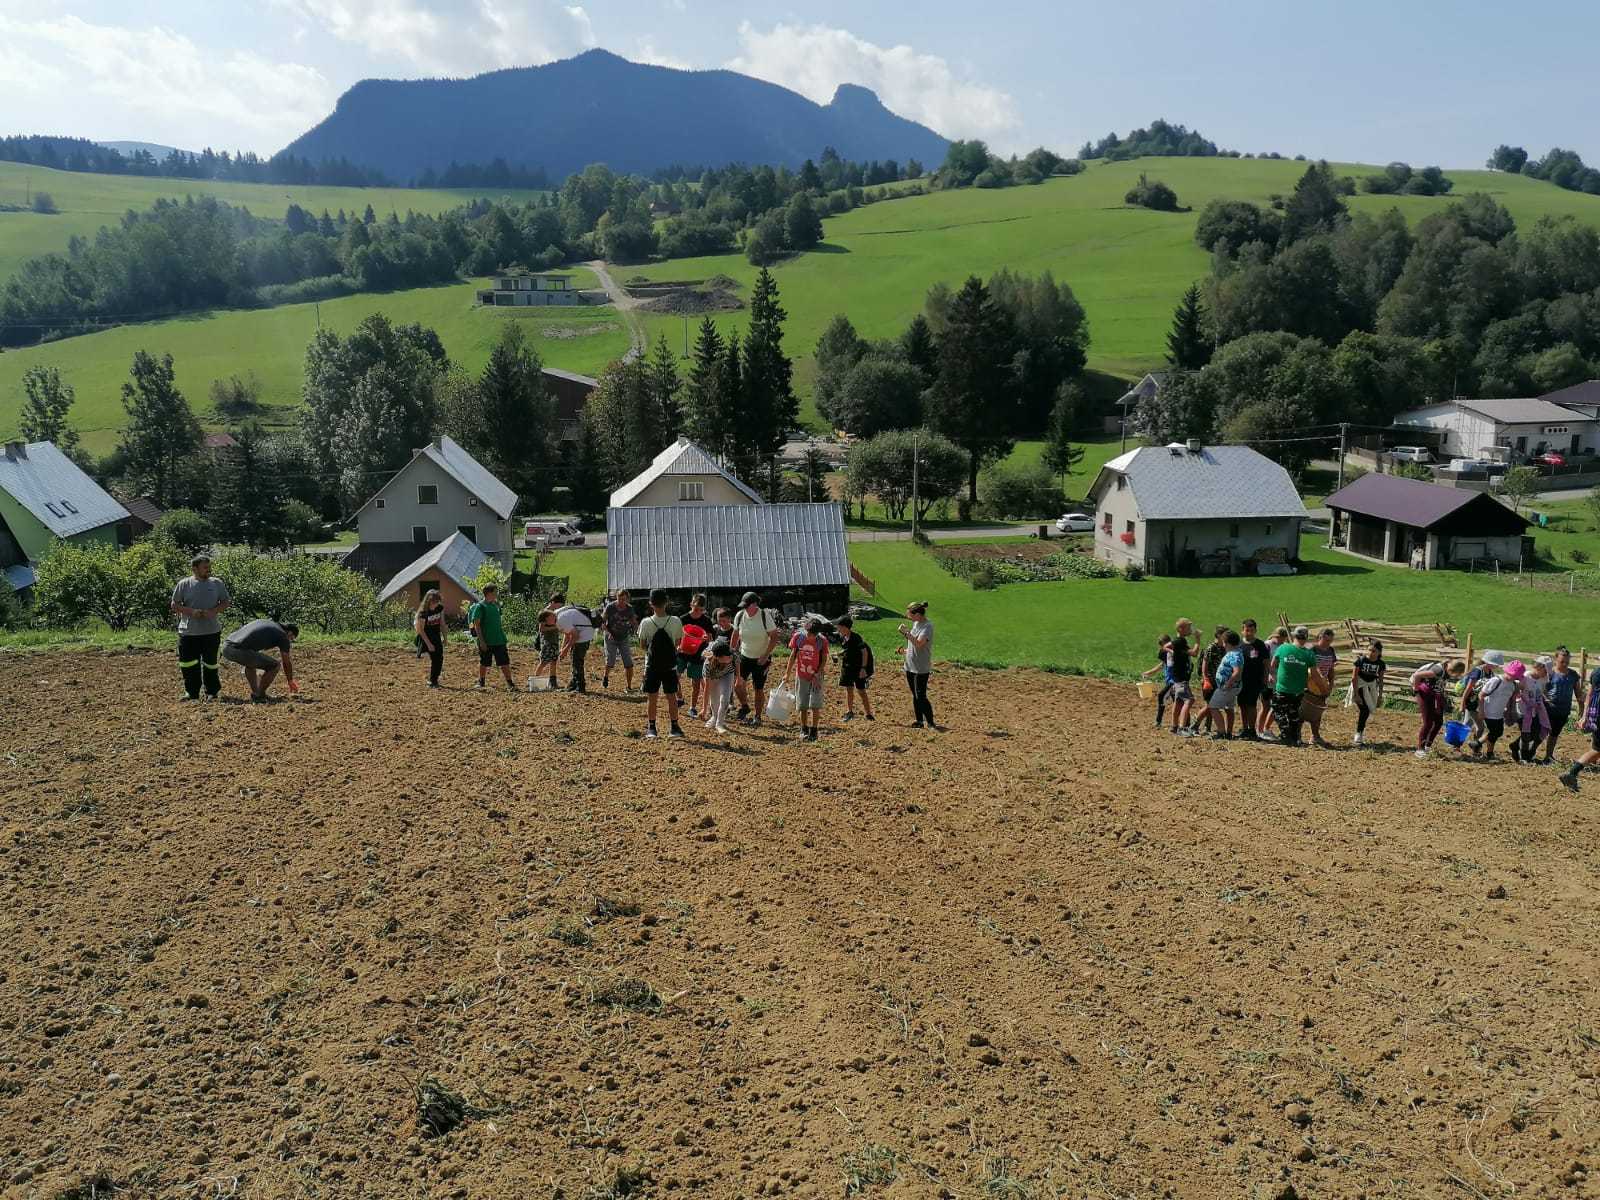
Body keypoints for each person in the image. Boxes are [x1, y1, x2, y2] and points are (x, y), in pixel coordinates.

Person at [170, 551, 231, 701]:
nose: (208, 570)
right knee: (188, 664)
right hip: (188, 633)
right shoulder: (184, 584)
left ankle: (212, 692)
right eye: (205, 567)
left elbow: (225, 602)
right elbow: (174, 604)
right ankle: (191, 693)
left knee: (211, 664)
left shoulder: (217, 583)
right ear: (195, 569)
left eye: (209, 567)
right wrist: (191, 612)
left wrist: (213, 611)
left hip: (211, 631)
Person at [636, 588, 685, 740]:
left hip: (652, 665)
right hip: (670, 665)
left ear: (651, 603)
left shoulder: (646, 622)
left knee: (652, 697)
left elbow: (642, 645)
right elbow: (677, 643)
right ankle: (674, 727)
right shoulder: (675, 621)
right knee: (671, 696)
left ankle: (652, 728)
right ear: (666, 602)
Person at [732, 592, 780, 726]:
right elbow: (735, 634)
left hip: (761, 658)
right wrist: (732, 652)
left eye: (747, 606)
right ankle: (745, 706)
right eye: (744, 606)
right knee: (737, 685)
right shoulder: (740, 616)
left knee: (758, 688)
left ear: (755, 605)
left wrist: (766, 655)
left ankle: (758, 716)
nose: (745, 608)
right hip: (744, 656)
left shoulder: (764, 616)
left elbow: (774, 637)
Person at [222, 618, 299, 702]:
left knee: (251, 662)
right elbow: (286, 662)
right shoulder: (283, 635)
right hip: (236, 649)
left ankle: (256, 693)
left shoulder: (267, 623)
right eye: (291, 639)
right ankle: (260, 695)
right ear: (290, 633)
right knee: (275, 666)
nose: (290, 641)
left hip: (226, 646)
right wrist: (290, 680)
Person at [783, 617, 831, 742]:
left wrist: (817, 674)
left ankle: (814, 730)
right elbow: (793, 656)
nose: (809, 636)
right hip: (801, 675)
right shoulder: (798, 638)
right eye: (808, 633)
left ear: (817, 633)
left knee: (815, 704)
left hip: (816, 677)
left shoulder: (822, 641)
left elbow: (824, 659)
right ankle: (803, 729)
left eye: (812, 634)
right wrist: (787, 674)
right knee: (802, 704)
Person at [1270, 626, 1318, 746]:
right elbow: (1314, 674)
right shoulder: (1309, 654)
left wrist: (1281, 671)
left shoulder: (1283, 648)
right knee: (1293, 714)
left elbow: (1273, 664)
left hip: (1282, 688)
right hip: (1298, 690)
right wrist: (1322, 689)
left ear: (1294, 636)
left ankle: (1286, 734)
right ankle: (1295, 738)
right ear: (1306, 638)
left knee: (1278, 711)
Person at [1558, 659, 1600, 792]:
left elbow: (1589, 695)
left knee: (1596, 750)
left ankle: (1572, 773)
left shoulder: (1596, 672)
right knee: (1597, 750)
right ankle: (1571, 773)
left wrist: (1585, 716)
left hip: (1595, 714)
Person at [1410, 659, 1466, 757]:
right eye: (1457, 674)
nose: (1456, 676)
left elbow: (1438, 685)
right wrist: (1416, 691)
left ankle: (1427, 746)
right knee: (1428, 722)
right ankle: (1420, 749)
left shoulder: (1446, 672)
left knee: (1438, 722)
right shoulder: (1438, 670)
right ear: (1452, 670)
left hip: (1434, 695)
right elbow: (1417, 675)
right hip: (1424, 693)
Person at [469, 583, 516, 692]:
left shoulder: (495, 605)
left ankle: (510, 683)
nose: (497, 594)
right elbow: (477, 625)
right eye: (495, 592)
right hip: (487, 641)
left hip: (499, 639)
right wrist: (482, 642)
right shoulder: (480, 607)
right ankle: (481, 681)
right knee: (484, 662)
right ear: (489, 593)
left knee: (504, 662)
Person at [897, 601, 937, 729]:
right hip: (910, 665)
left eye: (910, 614)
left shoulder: (927, 627)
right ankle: (919, 721)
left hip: (920, 667)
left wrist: (906, 633)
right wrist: (905, 651)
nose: (908, 617)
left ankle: (930, 722)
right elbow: (914, 645)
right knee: (915, 694)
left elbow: (919, 644)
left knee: (921, 695)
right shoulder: (916, 623)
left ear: (918, 615)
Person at [1301, 628, 1340, 749]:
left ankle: (1315, 736)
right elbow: (1307, 666)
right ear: (1319, 638)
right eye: (1326, 640)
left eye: (1330, 641)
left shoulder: (1330, 651)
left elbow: (1331, 668)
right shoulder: (1312, 649)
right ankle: (1297, 735)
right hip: (1309, 685)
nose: (1328, 643)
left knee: (1317, 712)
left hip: (1322, 686)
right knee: (1302, 711)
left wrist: (1331, 683)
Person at [677, 594, 714, 718]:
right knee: (674, 677)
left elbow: (710, 639)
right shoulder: (683, 618)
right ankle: (680, 698)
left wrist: (707, 639)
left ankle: (692, 708)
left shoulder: (706, 621)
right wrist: (677, 646)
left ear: (704, 609)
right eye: (696, 608)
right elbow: (676, 635)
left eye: (701, 610)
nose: (698, 612)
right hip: (682, 652)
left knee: (696, 682)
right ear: (691, 605)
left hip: (698, 654)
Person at [553, 593, 596, 694]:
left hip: (584, 634)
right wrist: (563, 648)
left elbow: (575, 636)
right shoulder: (557, 615)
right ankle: (573, 684)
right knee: (574, 659)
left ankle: (580, 687)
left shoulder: (560, 619)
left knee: (577, 660)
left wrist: (565, 650)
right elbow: (567, 633)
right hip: (582, 630)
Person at [1542, 647, 1579, 764]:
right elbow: (1542, 689)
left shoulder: (1573, 675)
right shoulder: (1550, 674)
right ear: (1555, 659)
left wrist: (1581, 709)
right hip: (1548, 709)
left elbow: (1578, 693)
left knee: (1554, 733)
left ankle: (1548, 756)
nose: (1565, 664)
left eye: (1567, 662)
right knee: (1541, 732)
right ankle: (1528, 753)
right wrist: (1546, 700)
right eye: (1562, 661)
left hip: (1563, 710)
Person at [836, 615, 876, 721]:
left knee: (861, 691)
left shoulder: (856, 638)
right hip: (847, 667)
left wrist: (863, 668)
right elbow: (848, 649)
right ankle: (849, 712)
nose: (838, 629)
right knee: (849, 689)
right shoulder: (843, 637)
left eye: (839, 627)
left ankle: (868, 714)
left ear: (845, 627)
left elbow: (864, 652)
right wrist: (840, 653)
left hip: (858, 668)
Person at [1206, 631, 1244, 739]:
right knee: (1229, 708)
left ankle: (1221, 732)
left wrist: (1228, 683)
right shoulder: (1237, 652)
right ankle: (1228, 732)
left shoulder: (1233, 655)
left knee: (1213, 707)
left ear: (1226, 643)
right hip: (1233, 687)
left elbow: (1237, 672)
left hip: (1227, 687)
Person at [1192, 625, 1229, 734]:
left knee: (1213, 706)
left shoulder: (1224, 648)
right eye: (1225, 635)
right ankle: (1194, 725)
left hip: (1218, 681)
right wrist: (1205, 679)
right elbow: (1205, 664)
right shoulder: (1211, 648)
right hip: (1210, 680)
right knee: (1210, 705)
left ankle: (1207, 727)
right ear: (1218, 635)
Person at [1350, 640, 1386, 747]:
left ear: (1379, 652)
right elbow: (1354, 678)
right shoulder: (1361, 661)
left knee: (1367, 710)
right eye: (1369, 650)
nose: (1371, 653)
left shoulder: (1381, 664)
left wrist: (1379, 696)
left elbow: (1380, 680)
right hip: (1359, 685)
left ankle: (1360, 733)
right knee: (1364, 710)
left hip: (1371, 687)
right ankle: (1358, 734)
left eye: (1374, 651)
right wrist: (1356, 694)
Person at [600, 590, 638, 691]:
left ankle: (629, 686)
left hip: (623, 637)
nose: (621, 601)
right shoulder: (610, 607)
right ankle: (606, 676)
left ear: (627, 599)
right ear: (616, 598)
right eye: (619, 599)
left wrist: (637, 629)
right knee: (610, 660)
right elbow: (602, 622)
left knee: (628, 663)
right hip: (611, 637)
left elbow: (633, 621)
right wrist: (608, 633)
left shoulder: (629, 609)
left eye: (624, 599)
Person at [1237, 620, 1268, 742]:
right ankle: (1244, 728)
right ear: (1242, 630)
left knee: (1251, 705)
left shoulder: (1260, 645)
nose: (1249, 632)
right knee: (1242, 705)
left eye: (1251, 630)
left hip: (1255, 680)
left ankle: (1252, 729)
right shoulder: (1239, 645)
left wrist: (1265, 678)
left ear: (1255, 630)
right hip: (1241, 680)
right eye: (1246, 630)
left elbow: (1266, 663)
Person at [1517, 661, 1553, 765]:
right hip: (1523, 710)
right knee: (1526, 734)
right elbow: (1518, 691)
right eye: (1545, 671)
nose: (1546, 674)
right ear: (1540, 668)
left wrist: (1544, 699)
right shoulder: (1526, 677)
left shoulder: (1542, 679)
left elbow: (1539, 692)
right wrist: (1526, 701)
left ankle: (1529, 753)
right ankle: (1524, 756)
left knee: (1537, 732)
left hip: (1535, 710)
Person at [1476, 662, 1514, 759]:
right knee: (1494, 732)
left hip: (1499, 713)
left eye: (1515, 676)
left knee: (1498, 733)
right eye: (1512, 675)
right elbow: (1481, 695)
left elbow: (1508, 698)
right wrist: (1481, 711)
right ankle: (1486, 750)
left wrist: (1507, 710)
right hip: (1489, 711)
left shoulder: (1512, 684)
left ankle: (1479, 745)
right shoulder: (1496, 680)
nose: (1513, 677)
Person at [701, 637, 737, 734]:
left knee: (725, 699)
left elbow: (737, 662)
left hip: (727, 674)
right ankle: (714, 717)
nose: (730, 657)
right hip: (713, 676)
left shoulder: (731, 655)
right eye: (726, 656)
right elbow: (707, 689)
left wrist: (738, 678)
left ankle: (719, 724)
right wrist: (704, 709)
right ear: (718, 657)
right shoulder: (708, 665)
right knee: (714, 698)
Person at [1257, 626, 1288, 738]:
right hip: (1267, 680)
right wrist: (1268, 673)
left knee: (1276, 707)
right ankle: (1259, 730)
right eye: (1280, 638)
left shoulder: (1284, 646)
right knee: (1265, 706)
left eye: (1283, 639)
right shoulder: (1267, 645)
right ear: (1275, 636)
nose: (1281, 641)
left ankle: (1266, 729)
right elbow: (1263, 662)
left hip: (1279, 681)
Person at [1168, 619, 1196, 736]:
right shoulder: (1180, 641)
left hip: (1177, 677)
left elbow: (1166, 646)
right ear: (1180, 629)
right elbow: (1194, 653)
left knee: (1179, 701)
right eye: (1188, 628)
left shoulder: (1178, 641)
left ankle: (1174, 726)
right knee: (1189, 700)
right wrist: (1198, 640)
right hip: (1181, 677)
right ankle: (1182, 728)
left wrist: (1172, 651)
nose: (1190, 630)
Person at [414, 589, 447, 688]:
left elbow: (442, 624)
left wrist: (445, 638)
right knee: (435, 658)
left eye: (437, 601)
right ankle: (433, 681)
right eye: (434, 602)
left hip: (436, 636)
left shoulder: (440, 608)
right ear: (429, 601)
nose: (436, 604)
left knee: (440, 657)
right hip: (426, 637)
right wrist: (429, 644)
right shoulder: (423, 613)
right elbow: (420, 630)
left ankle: (434, 679)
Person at [1142, 634, 1174, 728]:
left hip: (1173, 682)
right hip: (1171, 681)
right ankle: (1186, 723)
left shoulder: (1170, 653)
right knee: (1178, 702)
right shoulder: (1168, 653)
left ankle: (1158, 721)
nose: (1161, 646)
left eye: (1161, 644)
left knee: (1161, 696)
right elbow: (1162, 665)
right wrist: (1149, 673)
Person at [532, 600, 562, 690]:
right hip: (547, 645)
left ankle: (553, 682)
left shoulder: (554, 623)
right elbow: (541, 629)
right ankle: (535, 680)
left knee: (554, 662)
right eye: (552, 618)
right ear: (545, 620)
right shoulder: (545, 624)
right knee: (543, 662)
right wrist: (555, 627)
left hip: (554, 644)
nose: (554, 619)